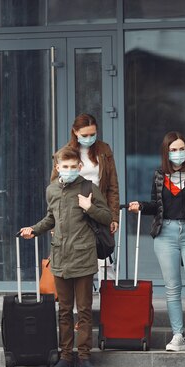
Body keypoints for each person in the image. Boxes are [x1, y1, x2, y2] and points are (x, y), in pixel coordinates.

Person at [20, 146, 112, 367]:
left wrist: (89, 207)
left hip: (83, 256)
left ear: (79, 167)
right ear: (57, 167)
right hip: (60, 256)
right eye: (65, 167)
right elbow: (51, 218)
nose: (69, 170)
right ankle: (65, 356)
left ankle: (84, 356)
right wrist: (34, 229)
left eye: (73, 167)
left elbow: (107, 216)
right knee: (63, 310)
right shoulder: (52, 190)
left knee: (84, 310)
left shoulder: (88, 187)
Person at [128, 131, 185, 353]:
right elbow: (156, 205)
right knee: (172, 289)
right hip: (166, 234)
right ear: (166, 153)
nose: (178, 153)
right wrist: (141, 206)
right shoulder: (159, 175)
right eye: (173, 150)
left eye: (181, 149)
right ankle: (177, 336)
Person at [55, 113, 120, 288]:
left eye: (93, 134)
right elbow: (55, 190)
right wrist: (55, 224)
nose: (89, 138)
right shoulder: (64, 153)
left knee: (105, 261)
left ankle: (110, 309)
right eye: (85, 135)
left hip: (98, 211)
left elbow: (112, 186)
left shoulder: (104, 150)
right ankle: (78, 310)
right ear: (75, 132)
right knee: (74, 262)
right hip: (73, 214)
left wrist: (114, 216)